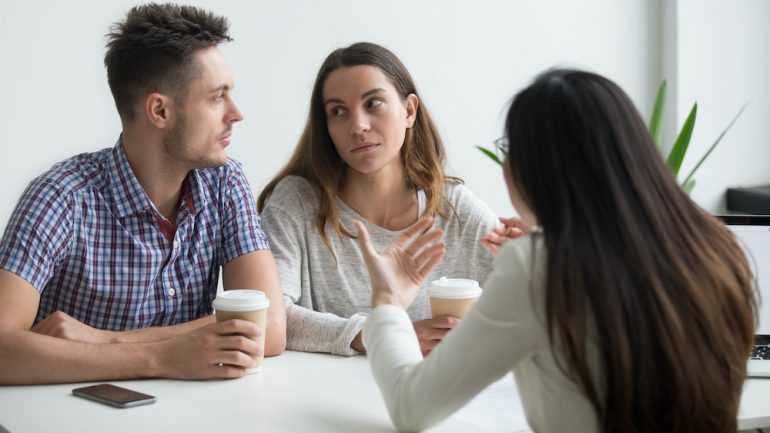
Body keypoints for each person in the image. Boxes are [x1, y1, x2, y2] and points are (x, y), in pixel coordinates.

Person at [356, 69, 757, 432]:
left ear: (539, 164)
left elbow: (412, 408)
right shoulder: (717, 247)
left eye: (509, 147)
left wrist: (388, 300)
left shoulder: (539, 265)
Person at [0, 3, 286, 385]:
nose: (236, 113)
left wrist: (107, 341)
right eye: (217, 97)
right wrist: (160, 357)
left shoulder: (224, 182)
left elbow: (268, 326)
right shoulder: (62, 196)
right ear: (160, 111)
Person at [258, 42, 522, 356]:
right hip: (318, 397)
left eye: (373, 103)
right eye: (338, 111)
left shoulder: (455, 208)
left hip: (427, 395)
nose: (358, 126)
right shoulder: (296, 202)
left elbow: (528, 314)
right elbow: (270, 318)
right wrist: (382, 334)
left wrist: (532, 260)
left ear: (409, 111)